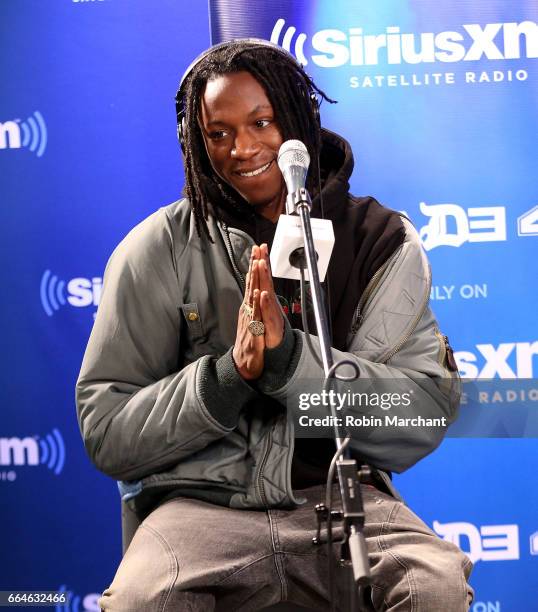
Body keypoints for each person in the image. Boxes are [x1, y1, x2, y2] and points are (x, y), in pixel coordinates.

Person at [76, 39, 474, 611]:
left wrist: (291, 364)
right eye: (218, 133)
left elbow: (422, 411)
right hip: (201, 506)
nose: (243, 148)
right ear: (196, 142)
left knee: (431, 585)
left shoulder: (380, 240)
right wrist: (228, 377)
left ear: (299, 118)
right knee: (144, 598)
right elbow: (108, 429)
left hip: (343, 499)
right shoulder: (157, 248)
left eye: (263, 122)